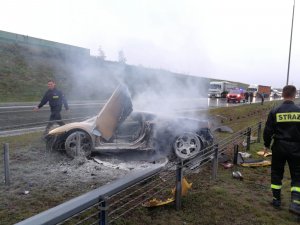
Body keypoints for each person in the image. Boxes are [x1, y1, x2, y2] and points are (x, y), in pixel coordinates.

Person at [263, 85, 300, 214]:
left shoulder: (275, 111)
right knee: (297, 175)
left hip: (279, 146)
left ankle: (276, 200)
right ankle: (295, 203)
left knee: (276, 173)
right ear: (294, 95)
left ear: (283, 95)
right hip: (297, 147)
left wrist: (266, 145)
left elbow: (268, 131)